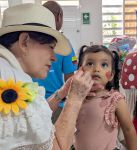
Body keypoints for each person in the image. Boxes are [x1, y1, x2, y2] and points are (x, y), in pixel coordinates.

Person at [0, 3, 94, 150]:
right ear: (24, 42)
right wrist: (75, 98)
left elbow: (32, 115)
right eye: (50, 47)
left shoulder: (9, 73)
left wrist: (62, 93)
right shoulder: (9, 83)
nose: (54, 57)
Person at [74, 45, 137, 150]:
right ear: (80, 69)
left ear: (112, 75)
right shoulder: (76, 98)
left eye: (104, 65)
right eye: (90, 63)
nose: (96, 69)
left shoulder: (114, 99)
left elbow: (128, 129)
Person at [33, 1, 77, 123]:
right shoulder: (64, 44)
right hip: (56, 105)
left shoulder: (30, 42)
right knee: (60, 141)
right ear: (59, 17)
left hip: (30, 104)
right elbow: (70, 79)